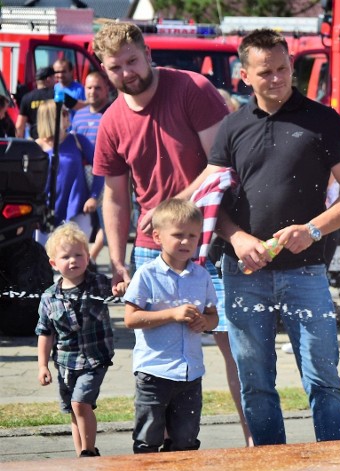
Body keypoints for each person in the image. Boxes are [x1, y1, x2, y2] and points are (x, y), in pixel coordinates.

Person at [189, 28, 340, 448]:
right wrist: (235, 239)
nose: (277, 78)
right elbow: (211, 199)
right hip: (243, 271)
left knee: (324, 379)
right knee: (255, 382)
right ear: (244, 76)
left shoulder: (323, 120)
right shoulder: (232, 127)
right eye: (265, 71)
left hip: (306, 272)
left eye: (283, 68)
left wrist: (312, 229)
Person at [92, 22, 251, 447]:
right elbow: (114, 198)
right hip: (150, 251)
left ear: (147, 52)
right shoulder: (111, 121)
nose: (126, 72)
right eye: (115, 67)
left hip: (212, 241)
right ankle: (163, 466)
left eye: (132, 60)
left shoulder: (191, 89)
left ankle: (257, 448)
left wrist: (170, 208)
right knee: (157, 363)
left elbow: (222, 166)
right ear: (102, 68)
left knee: (236, 352)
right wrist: (118, 259)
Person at [123, 199, 218, 453]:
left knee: (186, 441)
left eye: (192, 236)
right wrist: (172, 314)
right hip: (154, 371)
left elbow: (213, 317)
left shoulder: (202, 276)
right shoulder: (147, 274)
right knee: (148, 439)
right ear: (157, 236)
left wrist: (203, 322)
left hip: (191, 373)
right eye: (178, 235)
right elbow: (131, 318)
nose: (186, 242)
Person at [35, 223, 114, 457]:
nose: (73, 261)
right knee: (73, 408)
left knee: (80, 403)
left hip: (95, 360)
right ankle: (80, 453)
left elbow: (118, 290)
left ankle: (90, 451)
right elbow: (45, 332)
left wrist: (121, 284)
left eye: (79, 255)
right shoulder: (49, 297)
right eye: (66, 256)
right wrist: (42, 365)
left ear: (88, 257)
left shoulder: (98, 283)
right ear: (53, 263)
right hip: (66, 362)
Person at [33, 101, 99, 245]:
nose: (68, 116)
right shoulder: (34, 147)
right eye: (63, 113)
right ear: (51, 117)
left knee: (75, 257)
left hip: (77, 209)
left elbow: (100, 168)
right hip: (45, 213)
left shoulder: (78, 140)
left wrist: (93, 197)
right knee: (47, 260)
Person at [71, 70, 112, 267]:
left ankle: (92, 257)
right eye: (89, 87)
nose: (92, 92)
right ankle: (88, 259)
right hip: (85, 176)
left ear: (106, 90)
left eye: (97, 88)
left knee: (110, 222)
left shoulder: (113, 112)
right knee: (85, 222)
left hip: (110, 176)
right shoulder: (78, 116)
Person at [16, 67, 56, 139]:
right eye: (54, 78)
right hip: (54, 139)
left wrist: (19, 144)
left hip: (35, 140)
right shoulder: (57, 95)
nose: (55, 81)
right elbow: (77, 105)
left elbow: (20, 125)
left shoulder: (26, 98)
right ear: (48, 79)